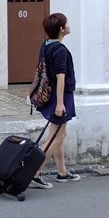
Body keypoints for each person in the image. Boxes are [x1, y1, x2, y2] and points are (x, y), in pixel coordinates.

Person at [31, 13, 81, 189]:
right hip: (60, 97)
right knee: (54, 138)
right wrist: (60, 104)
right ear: (61, 29)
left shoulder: (46, 45)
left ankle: (62, 172)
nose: (68, 24)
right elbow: (61, 78)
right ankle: (34, 172)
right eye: (66, 22)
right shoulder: (60, 50)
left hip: (50, 95)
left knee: (60, 135)